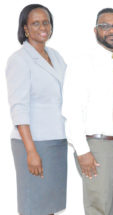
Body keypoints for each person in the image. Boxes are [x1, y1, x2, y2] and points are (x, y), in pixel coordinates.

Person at [62, 8, 113, 215]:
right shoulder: (81, 63)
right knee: (99, 208)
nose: (112, 30)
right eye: (105, 26)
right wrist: (82, 150)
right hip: (99, 146)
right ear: (95, 31)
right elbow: (72, 109)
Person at [5, 4, 67, 215]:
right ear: (25, 29)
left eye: (46, 22)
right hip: (34, 143)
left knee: (51, 206)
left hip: (57, 141)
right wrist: (31, 151)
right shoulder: (19, 60)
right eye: (36, 23)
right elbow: (18, 108)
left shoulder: (56, 56)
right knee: (35, 207)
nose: (43, 27)